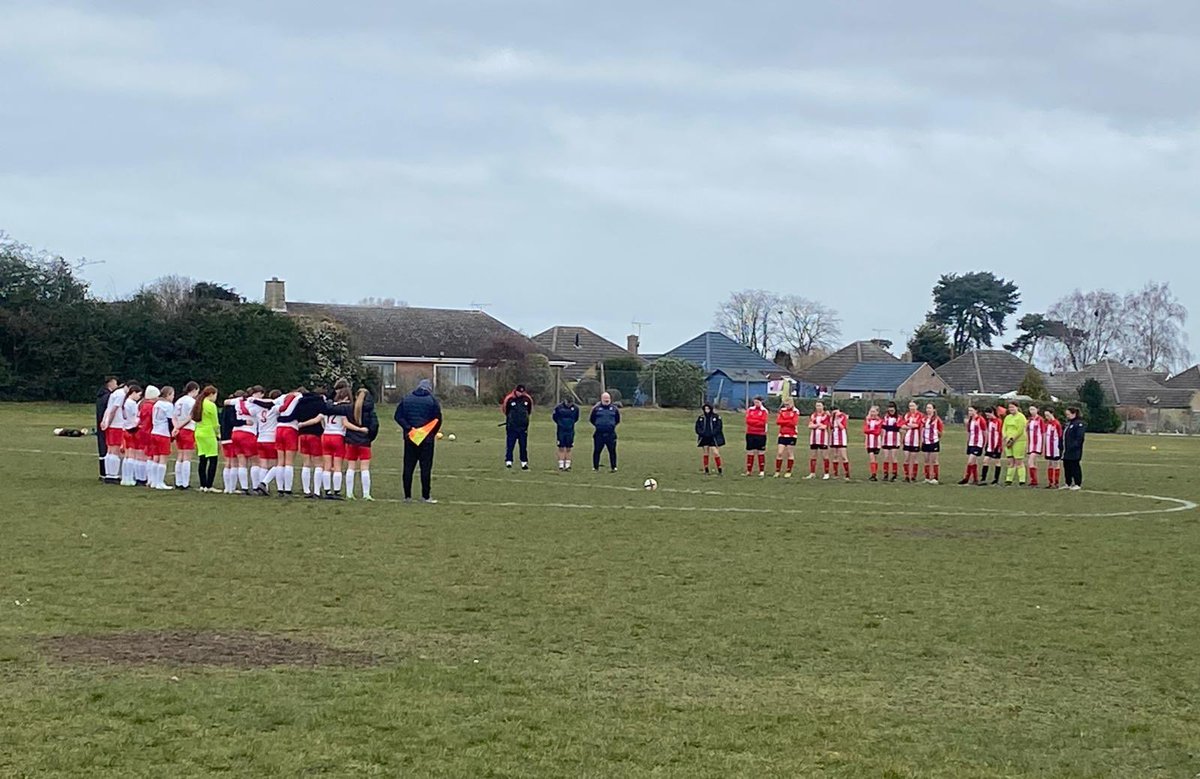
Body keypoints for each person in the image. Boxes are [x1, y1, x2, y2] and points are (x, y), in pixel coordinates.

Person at [394, 378, 443, 503]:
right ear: (429, 389)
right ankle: (425, 496)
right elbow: (437, 419)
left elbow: (398, 416)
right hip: (426, 440)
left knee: (408, 467)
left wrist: (408, 428)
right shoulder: (432, 401)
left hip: (410, 438)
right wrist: (431, 433)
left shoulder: (407, 399)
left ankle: (407, 496)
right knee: (425, 468)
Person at [330, 388, 378, 500]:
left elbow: (332, 409)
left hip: (351, 441)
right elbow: (374, 425)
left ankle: (349, 493)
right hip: (364, 441)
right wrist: (369, 437)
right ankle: (366, 494)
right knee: (364, 468)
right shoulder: (370, 409)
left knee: (351, 466)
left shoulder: (349, 408)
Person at [192, 385, 220, 492]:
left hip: (199, 432)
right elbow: (215, 422)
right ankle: (209, 485)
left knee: (202, 459)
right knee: (213, 459)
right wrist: (218, 434)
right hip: (208, 433)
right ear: (212, 394)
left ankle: (202, 485)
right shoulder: (211, 405)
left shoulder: (199, 403)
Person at [99, 379, 128, 484]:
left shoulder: (114, 393)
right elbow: (113, 410)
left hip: (111, 425)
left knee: (110, 450)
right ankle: (114, 475)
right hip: (117, 425)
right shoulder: (121, 395)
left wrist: (104, 421)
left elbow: (108, 409)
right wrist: (109, 422)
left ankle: (109, 474)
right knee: (115, 451)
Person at [148, 386, 176, 490]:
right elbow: (170, 421)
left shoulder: (157, 404)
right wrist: (172, 433)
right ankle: (160, 482)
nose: (173, 397)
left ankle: (154, 481)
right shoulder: (168, 405)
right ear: (168, 395)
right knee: (163, 458)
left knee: (156, 457)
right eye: (172, 395)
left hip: (154, 432)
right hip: (163, 433)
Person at [172, 381, 200, 490]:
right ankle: (185, 483)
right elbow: (191, 417)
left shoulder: (179, 400)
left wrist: (176, 427)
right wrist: (179, 426)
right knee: (187, 457)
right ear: (194, 390)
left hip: (179, 429)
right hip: (187, 429)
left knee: (180, 456)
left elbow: (174, 416)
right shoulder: (192, 402)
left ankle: (178, 482)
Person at [502, 384, 534, 470]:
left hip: (523, 427)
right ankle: (509, 461)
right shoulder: (510, 398)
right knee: (510, 445)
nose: (520, 394)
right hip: (512, 426)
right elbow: (505, 410)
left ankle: (524, 462)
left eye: (522, 392)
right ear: (515, 391)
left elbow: (529, 410)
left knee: (523, 445)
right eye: (519, 392)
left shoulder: (527, 399)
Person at [219, 390, 244, 493]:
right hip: (231, 436)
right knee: (234, 463)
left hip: (224, 436)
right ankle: (231, 488)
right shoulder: (234, 408)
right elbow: (234, 421)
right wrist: (244, 422)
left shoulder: (225, 408)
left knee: (228, 462)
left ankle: (227, 488)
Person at [591, 392, 621, 472]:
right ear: (601, 399)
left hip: (610, 434)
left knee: (612, 451)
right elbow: (592, 419)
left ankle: (614, 467)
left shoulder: (614, 409)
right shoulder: (596, 409)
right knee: (597, 450)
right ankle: (595, 467)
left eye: (608, 399)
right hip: (599, 433)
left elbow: (617, 420)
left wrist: (611, 426)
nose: (606, 401)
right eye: (605, 399)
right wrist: (598, 425)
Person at [96, 376, 117, 481]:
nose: (116, 386)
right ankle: (108, 472)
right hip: (107, 425)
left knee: (102, 447)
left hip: (100, 423)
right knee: (108, 447)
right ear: (110, 383)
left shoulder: (100, 396)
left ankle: (103, 473)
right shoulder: (108, 397)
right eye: (115, 383)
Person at [695, 403, 725, 475]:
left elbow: (719, 427)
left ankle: (719, 469)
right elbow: (697, 427)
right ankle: (706, 469)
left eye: (708, 409)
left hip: (713, 437)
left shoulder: (716, 417)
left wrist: (713, 433)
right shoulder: (701, 417)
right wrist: (701, 433)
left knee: (715, 452)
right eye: (705, 409)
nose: (706, 410)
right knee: (705, 453)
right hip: (704, 437)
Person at [1003, 402, 1029, 486]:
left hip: (1019, 441)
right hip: (1008, 440)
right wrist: (1006, 437)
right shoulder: (1007, 417)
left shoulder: (1021, 417)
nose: (1011, 409)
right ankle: (1009, 479)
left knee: (1018, 461)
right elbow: (1004, 428)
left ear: (1017, 407)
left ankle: (1022, 479)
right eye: (1010, 407)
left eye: (1013, 407)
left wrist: (1012, 438)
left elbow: (1020, 430)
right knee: (1010, 461)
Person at [959, 406, 986, 485]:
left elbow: (985, 432)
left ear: (976, 411)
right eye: (969, 411)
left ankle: (966, 478)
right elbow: (969, 432)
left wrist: (984, 443)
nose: (970, 412)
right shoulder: (970, 421)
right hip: (971, 443)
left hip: (978, 443)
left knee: (970, 461)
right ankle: (975, 479)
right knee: (973, 462)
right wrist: (968, 442)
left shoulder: (980, 420)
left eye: (971, 410)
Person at [774, 397, 800, 478]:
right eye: (785, 404)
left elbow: (794, 423)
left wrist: (785, 422)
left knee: (790, 453)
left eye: (788, 404)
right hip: (782, 434)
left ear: (792, 403)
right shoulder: (782, 410)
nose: (786, 406)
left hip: (792, 435)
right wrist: (787, 421)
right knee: (779, 453)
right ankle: (777, 471)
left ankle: (788, 471)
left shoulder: (796, 411)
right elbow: (778, 421)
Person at [552, 397, 580, 471]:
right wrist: (560, 424)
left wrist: (570, 424)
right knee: (561, 447)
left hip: (570, 430)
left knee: (569, 447)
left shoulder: (576, 408)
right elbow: (554, 417)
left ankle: (567, 465)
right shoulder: (559, 407)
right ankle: (561, 465)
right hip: (561, 430)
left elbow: (576, 418)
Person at [743, 396, 768, 477]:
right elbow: (748, 420)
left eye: (758, 402)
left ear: (761, 402)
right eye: (755, 402)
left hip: (761, 434)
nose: (756, 404)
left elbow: (762, 422)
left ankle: (761, 471)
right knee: (750, 451)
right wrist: (756, 421)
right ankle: (749, 471)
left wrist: (754, 422)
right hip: (750, 433)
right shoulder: (750, 410)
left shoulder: (764, 411)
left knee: (760, 452)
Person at [979, 407, 1004, 486]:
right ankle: (983, 479)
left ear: (992, 412)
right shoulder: (990, 421)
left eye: (988, 415)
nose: (987, 417)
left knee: (997, 461)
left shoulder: (998, 421)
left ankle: (996, 480)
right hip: (990, 445)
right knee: (985, 460)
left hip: (996, 445)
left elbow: (999, 434)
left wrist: (998, 446)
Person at [1062, 407, 1086, 490]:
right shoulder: (1068, 424)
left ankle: (1077, 483)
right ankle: (1068, 483)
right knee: (1067, 466)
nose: (1067, 416)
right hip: (1066, 450)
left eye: (1068, 414)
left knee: (1074, 466)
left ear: (1074, 414)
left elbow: (1080, 437)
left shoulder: (1079, 423)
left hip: (1074, 450)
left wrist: (1074, 446)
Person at [805, 401, 830, 480]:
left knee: (825, 455)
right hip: (813, 438)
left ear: (823, 406)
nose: (818, 407)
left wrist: (814, 426)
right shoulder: (813, 415)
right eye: (817, 406)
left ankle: (826, 473)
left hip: (823, 439)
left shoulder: (826, 415)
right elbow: (809, 426)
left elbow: (824, 426)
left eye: (820, 405)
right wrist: (818, 425)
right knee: (813, 455)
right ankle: (812, 473)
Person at [900, 401, 924, 483]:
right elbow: (902, 425)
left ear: (917, 406)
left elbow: (918, 425)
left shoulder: (920, 415)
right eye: (910, 406)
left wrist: (909, 425)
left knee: (914, 459)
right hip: (907, 439)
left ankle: (913, 476)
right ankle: (906, 476)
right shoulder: (907, 415)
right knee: (906, 458)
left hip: (916, 440)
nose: (911, 408)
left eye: (913, 406)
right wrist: (910, 426)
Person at [921, 403, 944, 484]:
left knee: (934, 460)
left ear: (934, 410)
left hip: (934, 442)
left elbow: (941, 432)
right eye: (927, 408)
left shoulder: (937, 419)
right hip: (925, 442)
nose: (928, 410)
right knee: (926, 460)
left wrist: (936, 434)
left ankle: (935, 478)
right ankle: (927, 478)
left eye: (930, 408)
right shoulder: (924, 419)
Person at [880, 402, 901, 482]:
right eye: (889, 407)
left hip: (894, 440)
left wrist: (891, 428)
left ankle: (894, 474)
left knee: (893, 457)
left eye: (892, 407)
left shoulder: (898, 417)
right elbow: (883, 427)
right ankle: (886, 474)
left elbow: (898, 427)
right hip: (886, 440)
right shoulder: (885, 417)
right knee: (886, 458)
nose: (891, 409)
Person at [1043, 409, 1064, 489]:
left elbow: (1060, 435)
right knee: (1050, 463)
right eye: (1045, 415)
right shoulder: (1047, 424)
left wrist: (1060, 446)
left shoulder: (1056, 424)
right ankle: (1050, 482)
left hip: (1055, 447)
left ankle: (1056, 482)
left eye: (1048, 415)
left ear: (1052, 414)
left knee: (1056, 463)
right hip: (1049, 447)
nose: (1047, 417)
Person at [829, 406, 850, 480]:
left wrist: (837, 420)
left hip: (841, 438)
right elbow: (831, 427)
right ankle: (835, 474)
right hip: (834, 437)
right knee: (835, 455)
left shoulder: (842, 416)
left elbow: (842, 427)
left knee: (844, 456)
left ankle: (847, 474)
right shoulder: (831, 418)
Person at [1025, 404, 1044, 487]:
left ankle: (1034, 480)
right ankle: (1034, 480)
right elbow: (1026, 430)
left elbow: (1043, 432)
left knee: (1030, 461)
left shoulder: (1040, 420)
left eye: (1033, 409)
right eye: (1030, 409)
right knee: (1033, 462)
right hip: (1031, 443)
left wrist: (1043, 445)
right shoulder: (1030, 420)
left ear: (1037, 410)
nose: (1031, 411)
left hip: (1037, 443)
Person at [863, 406, 883, 481]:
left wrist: (870, 430)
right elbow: (865, 430)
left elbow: (878, 432)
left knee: (875, 459)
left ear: (877, 412)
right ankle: (873, 474)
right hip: (869, 443)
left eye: (874, 411)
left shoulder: (880, 421)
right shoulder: (867, 420)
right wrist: (872, 430)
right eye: (871, 411)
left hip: (877, 443)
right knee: (872, 458)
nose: (872, 413)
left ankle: (874, 474)